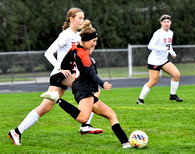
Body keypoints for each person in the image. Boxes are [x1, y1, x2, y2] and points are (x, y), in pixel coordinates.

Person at [8, 8, 102, 146]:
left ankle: (16, 131)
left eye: (83, 18)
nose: (82, 20)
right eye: (79, 18)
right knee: (93, 89)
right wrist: (60, 67)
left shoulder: (77, 36)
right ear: (71, 19)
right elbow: (48, 53)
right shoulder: (66, 35)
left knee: (45, 106)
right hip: (60, 74)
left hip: (65, 75)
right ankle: (85, 125)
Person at [41, 20, 132, 148]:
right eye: (93, 41)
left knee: (111, 114)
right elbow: (91, 74)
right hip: (84, 90)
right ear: (86, 40)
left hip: (85, 88)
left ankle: (126, 143)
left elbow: (66, 63)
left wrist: (66, 68)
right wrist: (102, 83)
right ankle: (57, 99)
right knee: (83, 118)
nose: (95, 43)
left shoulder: (76, 49)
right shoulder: (83, 54)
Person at [136, 14, 183, 105]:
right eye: (164, 22)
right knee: (153, 81)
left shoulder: (171, 33)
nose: (166, 23)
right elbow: (150, 46)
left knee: (176, 74)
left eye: (168, 22)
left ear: (171, 23)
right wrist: (162, 49)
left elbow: (169, 46)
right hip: (154, 61)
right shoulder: (158, 33)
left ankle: (172, 95)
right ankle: (140, 100)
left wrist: (172, 52)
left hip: (163, 60)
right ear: (161, 23)